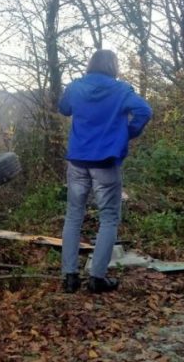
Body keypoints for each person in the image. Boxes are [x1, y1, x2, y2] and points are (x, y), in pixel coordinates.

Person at [58, 49, 152, 293]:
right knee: (108, 218)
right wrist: (126, 133)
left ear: (91, 65)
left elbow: (64, 108)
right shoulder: (121, 90)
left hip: (77, 160)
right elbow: (145, 111)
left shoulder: (76, 86)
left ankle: (70, 277)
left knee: (73, 216)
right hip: (106, 162)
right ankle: (96, 278)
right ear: (113, 66)